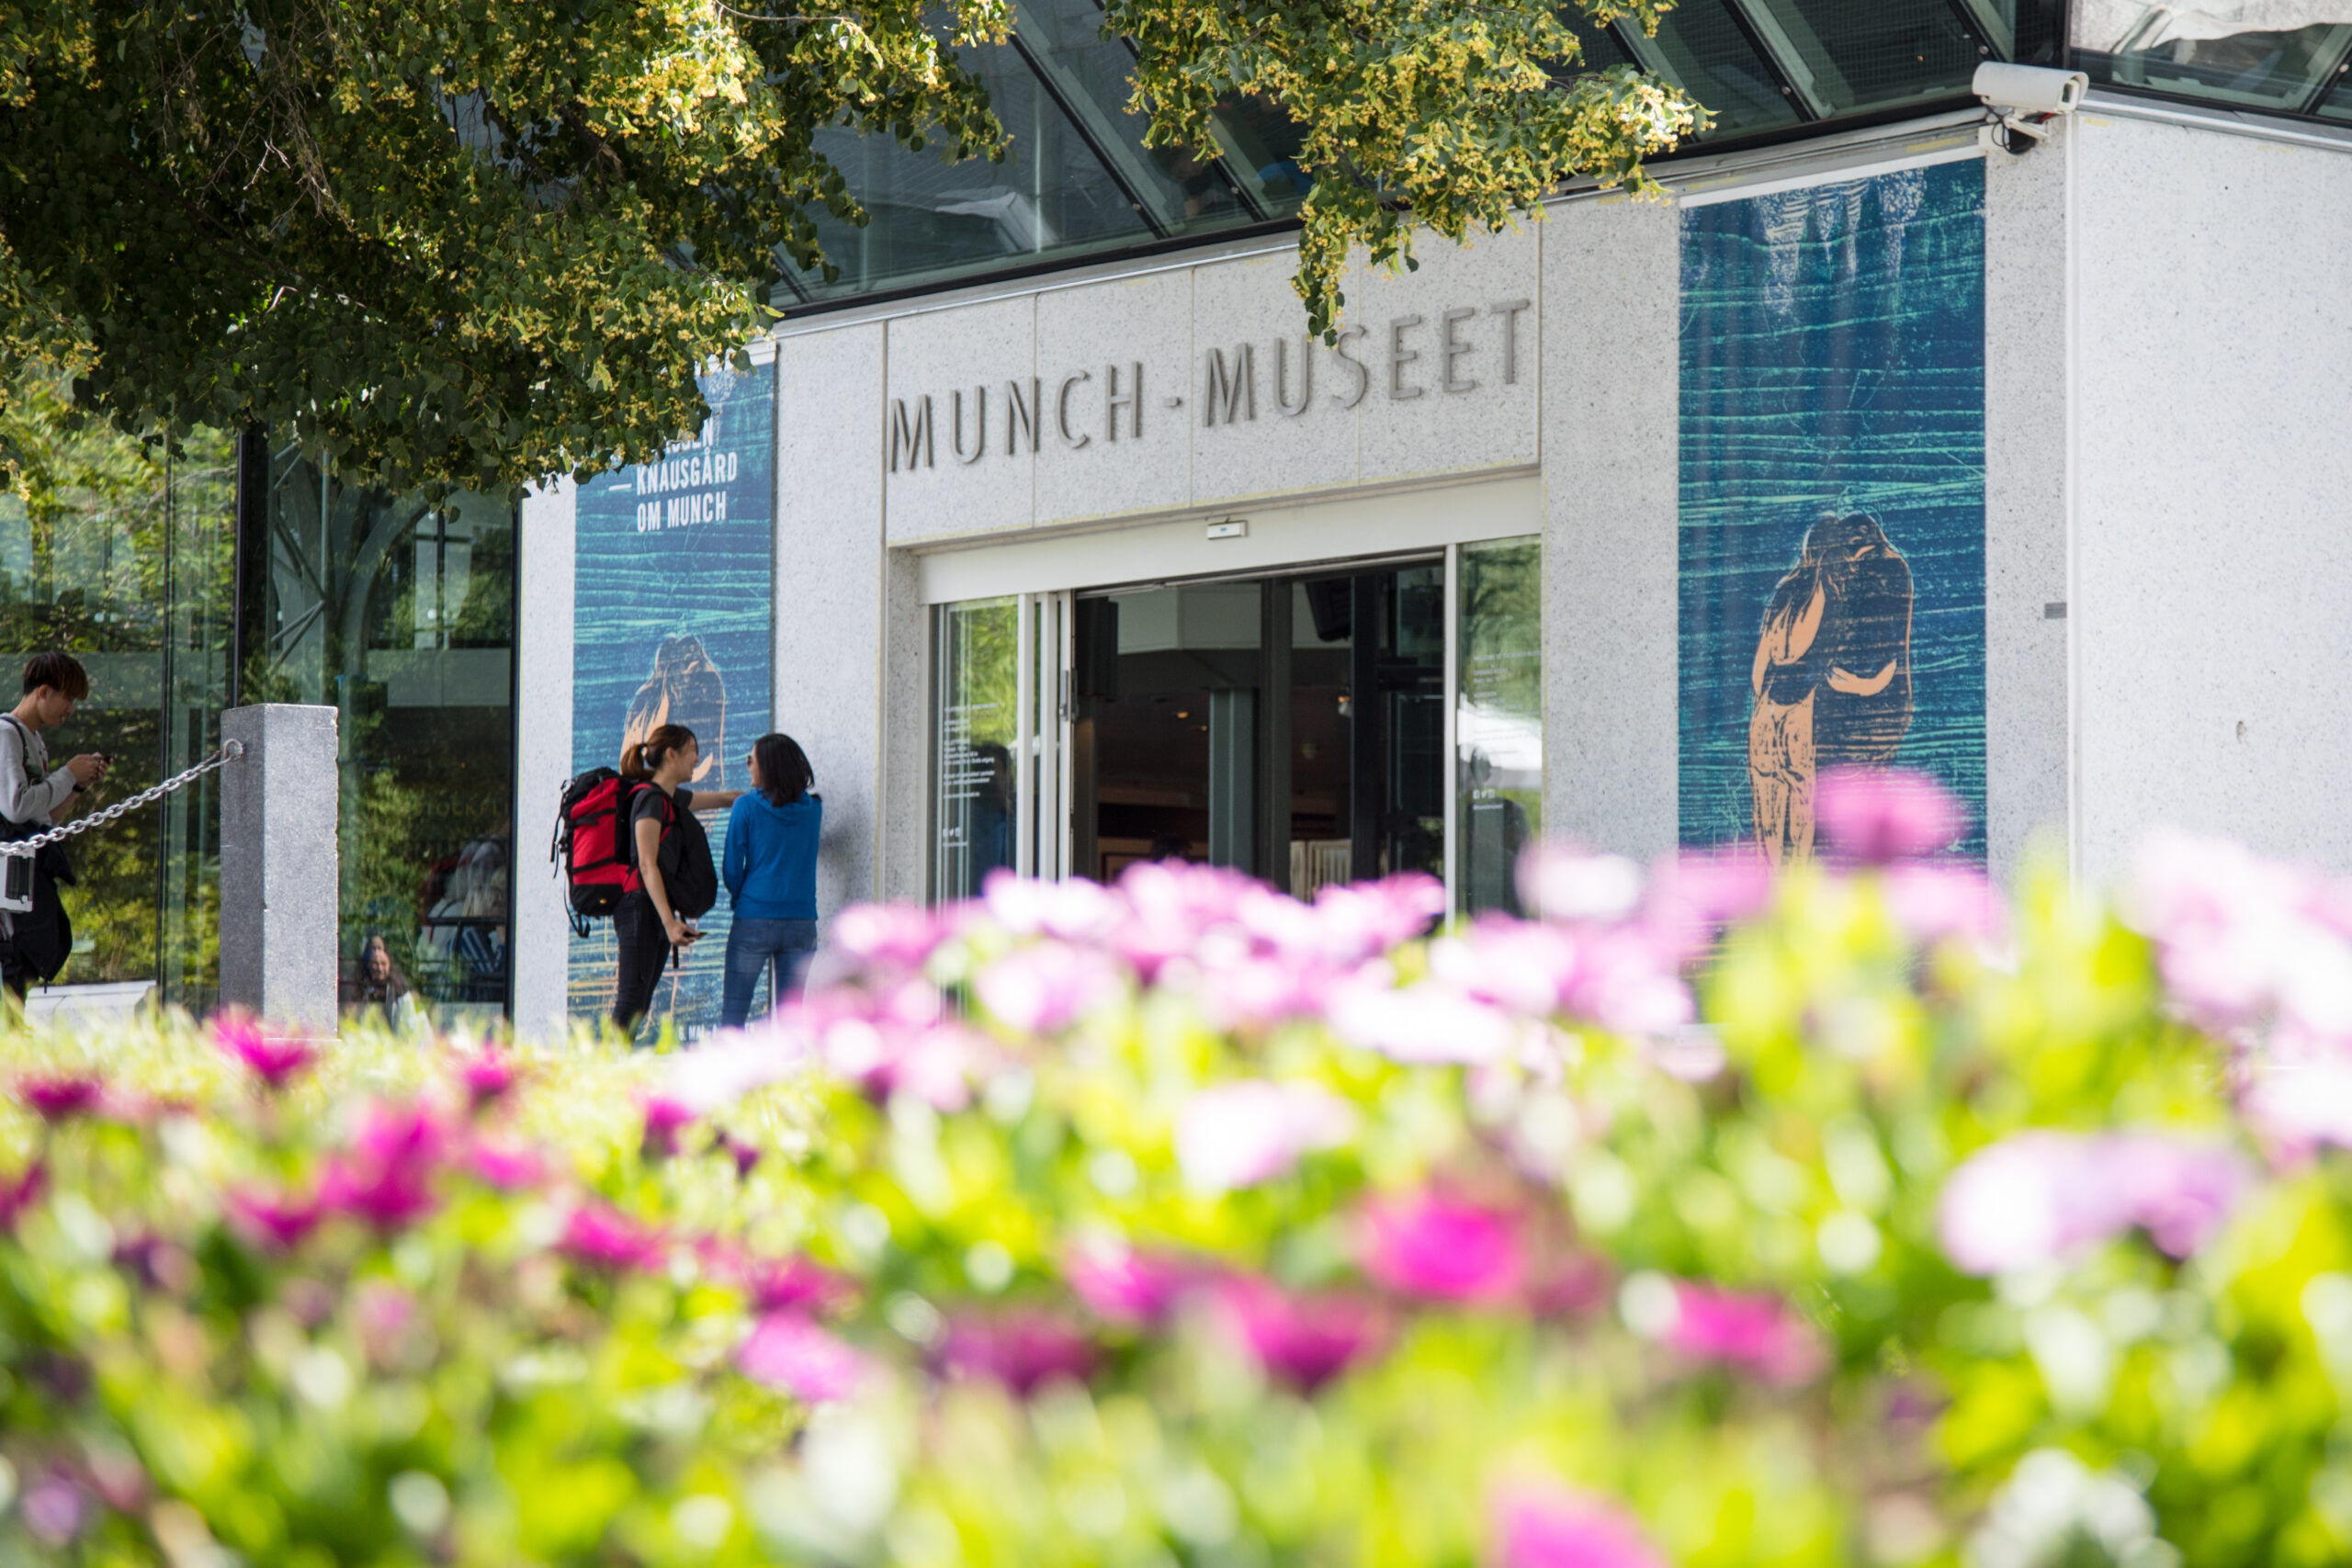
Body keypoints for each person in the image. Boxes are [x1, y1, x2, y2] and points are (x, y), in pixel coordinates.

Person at [1747, 513, 1915, 866]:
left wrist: (1768, 703)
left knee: (1769, 809)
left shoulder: (1788, 587)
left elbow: (1760, 670)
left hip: (1769, 712)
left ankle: (1775, 890)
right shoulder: (1838, 584)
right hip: (1804, 713)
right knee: (1806, 807)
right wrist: (1853, 685)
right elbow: (1883, 664)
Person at [610, 723, 741, 1040]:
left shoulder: (670, 798)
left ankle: (614, 1074)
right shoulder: (650, 801)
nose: (697, 759)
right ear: (671, 754)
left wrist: (774, 796)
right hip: (639, 907)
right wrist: (670, 922)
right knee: (630, 1001)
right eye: (692, 750)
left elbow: (725, 798)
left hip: (652, 909)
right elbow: (646, 863)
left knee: (640, 1003)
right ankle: (597, 1076)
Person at [0, 653, 108, 998]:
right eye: (68, 698)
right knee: (12, 955)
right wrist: (67, 774)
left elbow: (44, 819)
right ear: (43, 691)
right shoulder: (6, 734)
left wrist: (77, 785)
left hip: (20, 874)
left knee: (24, 956)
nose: (71, 708)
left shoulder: (34, 740)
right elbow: (16, 807)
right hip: (8, 875)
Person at [719, 732, 822, 1029]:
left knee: (734, 1013)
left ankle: (731, 1074)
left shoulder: (746, 806)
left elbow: (731, 869)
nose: (748, 765)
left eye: (752, 760)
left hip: (753, 917)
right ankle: (791, 1074)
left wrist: (742, 896)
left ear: (768, 766)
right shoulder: (814, 810)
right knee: (791, 1018)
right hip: (802, 922)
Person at [345, 932, 424, 1032]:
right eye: (375, 964)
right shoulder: (358, 986)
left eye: (383, 964)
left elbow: (410, 1024)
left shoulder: (399, 988)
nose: (380, 969)